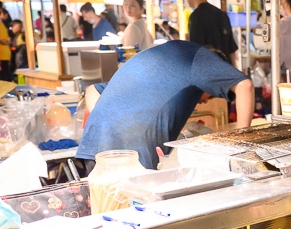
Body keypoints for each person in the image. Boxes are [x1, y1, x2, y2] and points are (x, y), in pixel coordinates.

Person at [76, 42, 253, 171]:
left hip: (94, 148)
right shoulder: (200, 58)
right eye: (211, 94)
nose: (206, 100)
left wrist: (109, 122)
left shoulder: (159, 58)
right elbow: (245, 86)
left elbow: (93, 90)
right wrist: (239, 147)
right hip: (132, 154)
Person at [184, 0, 239, 64]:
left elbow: (196, 53)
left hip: (210, 74)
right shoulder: (222, 14)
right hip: (227, 72)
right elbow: (231, 50)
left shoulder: (196, 17)